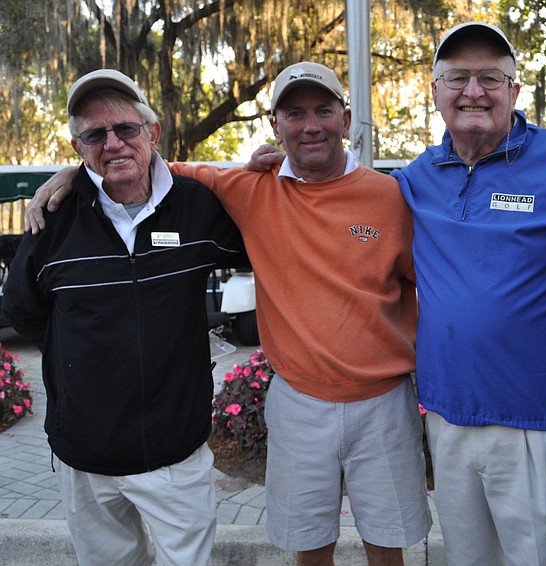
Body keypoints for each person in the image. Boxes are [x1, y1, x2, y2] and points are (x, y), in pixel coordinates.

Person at [23, 61, 432, 566]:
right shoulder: (250, 187)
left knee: (387, 543)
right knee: (310, 546)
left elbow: (434, 290)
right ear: (275, 127)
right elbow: (142, 165)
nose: (311, 125)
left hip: (384, 404)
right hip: (299, 402)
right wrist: (74, 175)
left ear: (345, 120)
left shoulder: (393, 197)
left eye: (324, 111)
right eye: (295, 113)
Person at [2, 69, 247, 565]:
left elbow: (272, 231)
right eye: (95, 135)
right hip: (85, 460)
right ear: (78, 147)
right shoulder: (53, 219)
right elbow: (24, 311)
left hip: (175, 455)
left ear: (152, 133)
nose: (113, 143)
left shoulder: (197, 207)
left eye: (125, 129)